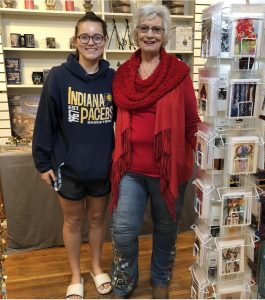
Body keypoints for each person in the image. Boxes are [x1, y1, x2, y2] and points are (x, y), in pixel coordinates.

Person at [110, 4, 200, 299]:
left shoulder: (179, 73)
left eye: (157, 29)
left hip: (168, 170)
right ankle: (125, 280)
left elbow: (191, 121)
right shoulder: (122, 74)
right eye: (145, 28)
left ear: (165, 34)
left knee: (165, 229)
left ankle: (160, 279)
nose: (150, 34)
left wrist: (209, 158)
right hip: (130, 170)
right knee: (123, 230)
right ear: (135, 32)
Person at [32, 12, 115, 299]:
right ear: (75, 40)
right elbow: (45, 122)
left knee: (96, 220)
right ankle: (76, 274)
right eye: (85, 36)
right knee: (72, 222)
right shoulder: (58, 77)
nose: (91, 42)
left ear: (105, 41)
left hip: (102, 167)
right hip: (68, 168)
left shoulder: (114, 79)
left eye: (97, 36)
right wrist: (42, 163)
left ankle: (95, 266)